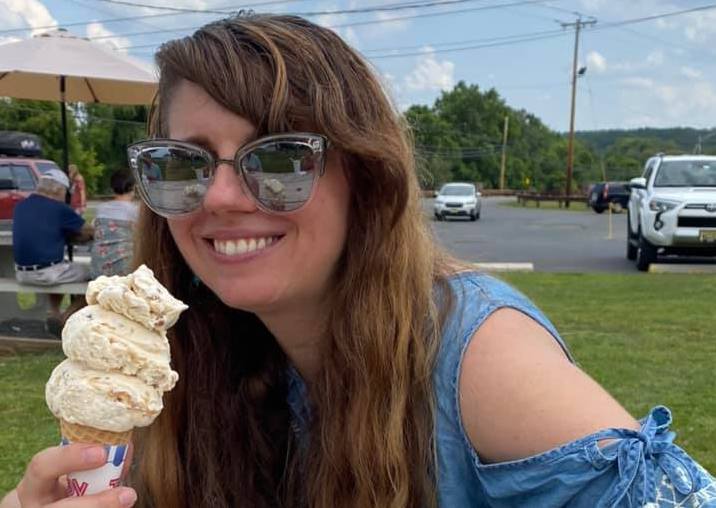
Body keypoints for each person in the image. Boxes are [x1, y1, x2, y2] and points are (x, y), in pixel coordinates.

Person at [3, 14, 715, 508]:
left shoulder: (474, 354)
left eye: (279, 158)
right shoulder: (193, 356)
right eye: (182, 163)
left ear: (366, 179)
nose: (218, 197)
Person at [11, 168, 92, 331]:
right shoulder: (59, 208)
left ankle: (53, 312)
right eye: (65, 193)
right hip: (47, 273)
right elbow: (89, 231)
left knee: (61, 265)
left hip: (21, 273)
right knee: (95, 279)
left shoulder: (21, 206)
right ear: (58, 189)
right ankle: (64, 319)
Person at [90, 169, 139, 278]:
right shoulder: (134, 211)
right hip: (123, 270)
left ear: (112, 187)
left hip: (98, 269)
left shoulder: (100, 209)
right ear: (134, 188)